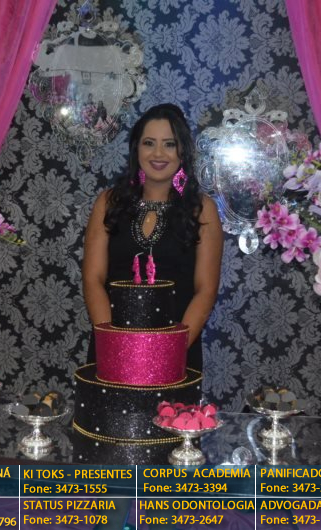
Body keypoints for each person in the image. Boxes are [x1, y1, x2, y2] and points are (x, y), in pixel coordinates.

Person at [82, 103, 223, 371]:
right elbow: (93, 279)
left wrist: (166, 352)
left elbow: (205, 291)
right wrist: (114, 345)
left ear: (182, 151)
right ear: (136, 148)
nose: (158, 153)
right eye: (149, 143)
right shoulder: (109, 203)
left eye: (169, 144)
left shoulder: (202, 209)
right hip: (112, 348)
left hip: (176, 351)